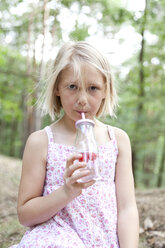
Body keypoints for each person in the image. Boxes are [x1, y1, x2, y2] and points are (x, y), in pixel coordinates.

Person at [10, 41, 139, 248]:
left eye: (93, 88)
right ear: (57, 89)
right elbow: (25, 215)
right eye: (72, 87)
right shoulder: (41, 142)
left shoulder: (117, 140)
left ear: (106, 90)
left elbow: (127, 209)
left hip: (102, 240)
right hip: (55, 237)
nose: (82, 99)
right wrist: (67, 191)